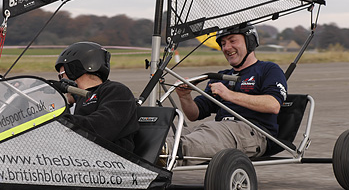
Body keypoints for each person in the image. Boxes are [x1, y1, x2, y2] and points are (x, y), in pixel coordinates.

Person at [166, 25, 287, 163]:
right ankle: (153, 150)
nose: (227, 48)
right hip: (217, 130)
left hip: (253, 133)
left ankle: (166, 152)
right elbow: (194, 115)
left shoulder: (268, 69)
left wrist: (229, 95)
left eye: (232, 41)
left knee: (207, 132)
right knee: (168, 133)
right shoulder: (221, 76)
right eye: (223, 44)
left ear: (250, 42)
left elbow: (273, 105)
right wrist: (185, 96)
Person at [55, 42, 138, 152]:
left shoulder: (116, 91)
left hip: (108, 161)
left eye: (61, 75)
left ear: (73, 71)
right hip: (69, 159)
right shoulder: (69, 105)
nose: (60, 80)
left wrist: (57, 122)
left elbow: (101, 127)